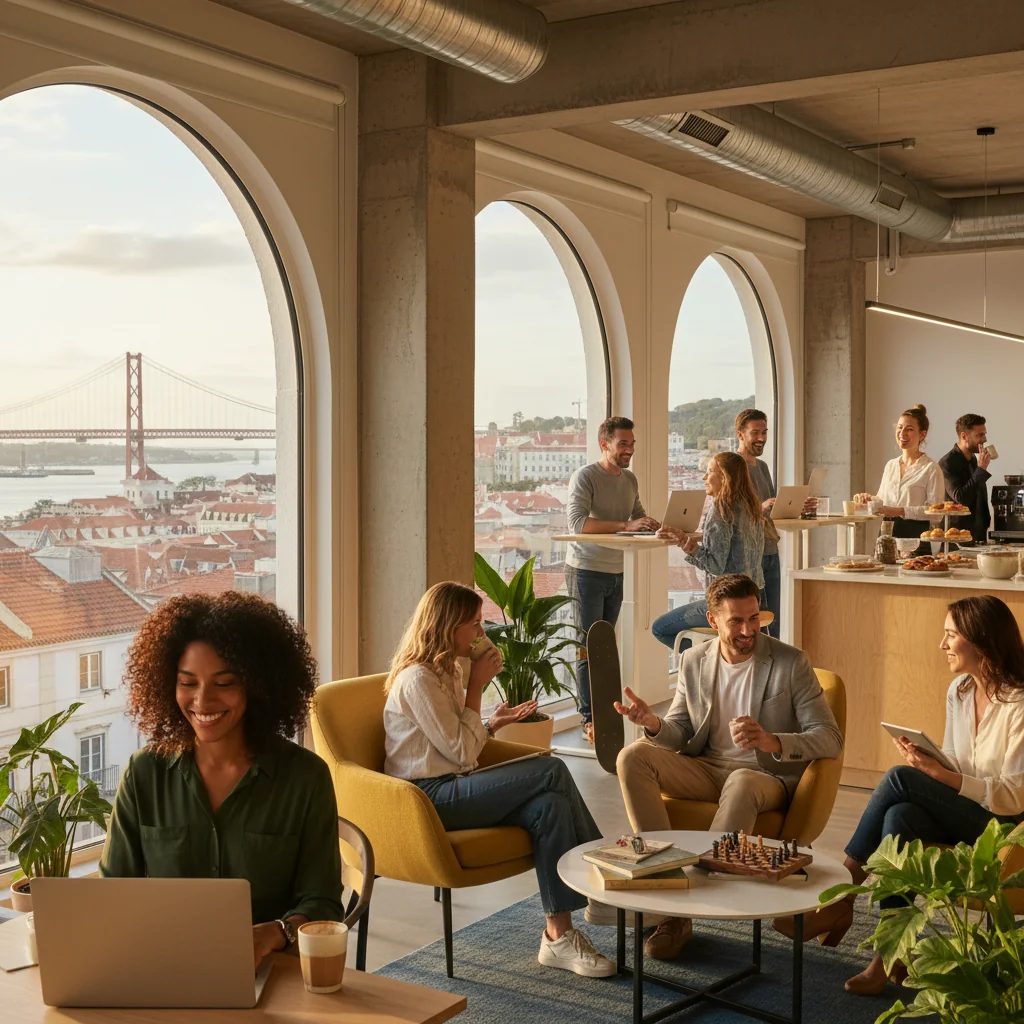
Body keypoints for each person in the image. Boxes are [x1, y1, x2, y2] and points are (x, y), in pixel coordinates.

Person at [773, 594, 1024, 995]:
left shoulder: (1019, 703)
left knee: (897, 778)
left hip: (1005, 826)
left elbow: (1014, 795)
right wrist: (931, 763)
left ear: (980, 641)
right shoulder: (960, 691)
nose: (942, 644)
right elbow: (957, 761)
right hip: (967, 808)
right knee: (900, 816)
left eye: (950, 635)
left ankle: (840, 899)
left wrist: (940, 776)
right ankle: (889, 956)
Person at [383, 581, 616, 979]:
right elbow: (461, 752)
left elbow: (461, 746)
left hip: (454, 782)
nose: (481, 632)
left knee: (550, 806)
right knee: (552, 769)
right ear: (448, 625)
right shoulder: (418, 679)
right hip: (427, 799)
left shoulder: (447, 669)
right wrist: (478, 685)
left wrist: (491, 724)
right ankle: (603, 878)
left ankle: (558, 937)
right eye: (474, 624)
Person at [99, 592, 343, 967]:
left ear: (257, 686)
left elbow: (322, 903)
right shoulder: (144, 773)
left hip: (271, 972)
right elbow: (112, 894)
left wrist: (273, 933)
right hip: (164, 968)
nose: (202, 701)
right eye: (188, 682)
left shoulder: (305, 779)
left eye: (224, 683)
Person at [615, 573, 843, 961]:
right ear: (713, 619)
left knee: (741, 780)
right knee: (632, 756)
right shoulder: (693, 660)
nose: (747, 630)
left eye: (754, 618)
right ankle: (663, 879)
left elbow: (829, 738)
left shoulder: (791, 662)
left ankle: (685, 908)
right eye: (736, 620)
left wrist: (772, 741)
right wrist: (652, 724)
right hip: (706, 768)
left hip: (763, 775)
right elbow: (681, 730)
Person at [565, 416, 660, 743]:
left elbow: (636, 515)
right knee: (588, 647)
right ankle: (589, 719)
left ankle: (607, 714)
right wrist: (627, 525)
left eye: (632, 444)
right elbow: (578, 524)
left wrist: (650, 524)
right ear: (604, 444)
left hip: (618, 570)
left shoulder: (629, 479)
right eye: (623, 444)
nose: (629, 449)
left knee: (606, 647)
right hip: (586, 571)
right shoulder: (585, 476)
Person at [651, 451, 765, 653]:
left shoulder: (721, 509)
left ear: (724, 477)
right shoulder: (751, 507)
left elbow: (715, 565)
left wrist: (685, 542)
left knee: (660, 628)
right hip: (754, 600)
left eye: (709, 471)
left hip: (727, 603)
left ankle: (708, 658)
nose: (704, 477)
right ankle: (717, 656)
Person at [854, 403, 943, 551]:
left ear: (922, 434)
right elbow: (883, 500)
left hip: (915, 536)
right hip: (886, 534)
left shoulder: (931, 468)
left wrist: (900, 511)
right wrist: (869, 500)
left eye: (909, 429)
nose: (902, 433)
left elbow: (936, 514)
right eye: (900, 428)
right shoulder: (891, 465)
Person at [734, 408, 781, 638]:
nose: (761, 438)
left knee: (775, 620)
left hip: (770, 549)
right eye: (755, 433)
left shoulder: (762, 467)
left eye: (764, 432)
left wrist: (792, 506)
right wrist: (761, 507)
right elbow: (730, 513)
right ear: (740, 434)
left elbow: (769, 509)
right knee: (756, 623)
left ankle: (776, 661)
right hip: (750, 555)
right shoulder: (733, 466)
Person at [938, 413, 992, 544]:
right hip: (956, 538)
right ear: (964, 436)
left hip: (978, 536)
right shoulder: (947, 463)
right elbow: (961, 497)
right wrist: (981, 469)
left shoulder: (974, 460)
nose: (984, 439)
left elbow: (979, 496)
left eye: (984, 434)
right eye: (980, 435)